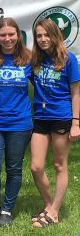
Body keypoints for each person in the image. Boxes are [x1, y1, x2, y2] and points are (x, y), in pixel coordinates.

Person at [0, 18, 32, 226]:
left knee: (14, 169)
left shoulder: (29, 59)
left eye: (11, 34)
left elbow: (47, 84)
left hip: (20, 122)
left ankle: (7, 210)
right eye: (3, 35)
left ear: (18, 36)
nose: (8, 39)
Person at [30, 19, 80, 227]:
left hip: (61, 117)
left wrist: (76, 122)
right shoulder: (35, 59)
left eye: (46, 35)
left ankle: (54, 212)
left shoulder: (68, 59)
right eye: (39, 36)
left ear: (55, 35)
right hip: (40, 118)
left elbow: (76, 93)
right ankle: (50, 206)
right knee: (36, 166)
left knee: (60, 165)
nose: (43, 39)